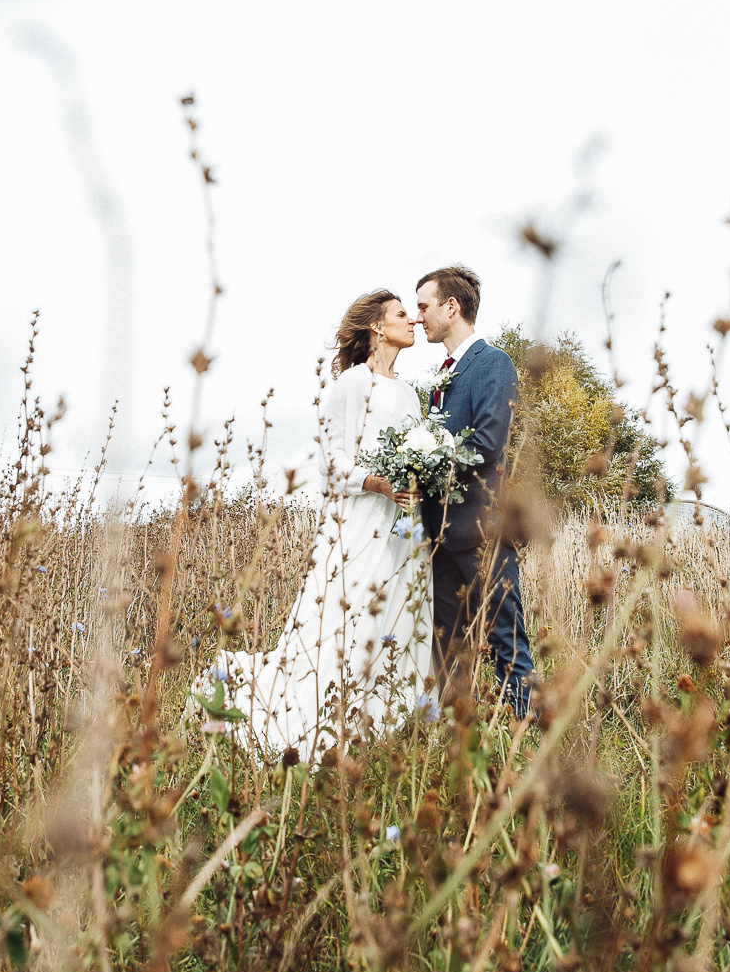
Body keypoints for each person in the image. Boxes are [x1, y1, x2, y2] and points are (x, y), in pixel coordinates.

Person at [201, 291, 434, 762]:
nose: (412, 320)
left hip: (404, 523)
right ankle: (322, 718)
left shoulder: (409, 392)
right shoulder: (351, 384)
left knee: (397, 614)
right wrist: (378, 482)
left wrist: (418, 478)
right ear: (375, 326)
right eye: (400, 314)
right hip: (360, 521)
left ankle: (382, 721)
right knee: (349, 619)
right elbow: (332, 463)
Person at [414, 265, 533, 717]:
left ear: (452, 306)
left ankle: (525, 734)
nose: (419, 316)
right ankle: (457, 735)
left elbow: (486, 444)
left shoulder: (493, 364)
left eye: (424, 306)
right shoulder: (442, 376)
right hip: (441, 535)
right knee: (448, 646)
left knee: (506, 636)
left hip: (482, 530)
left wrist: (423, 458)